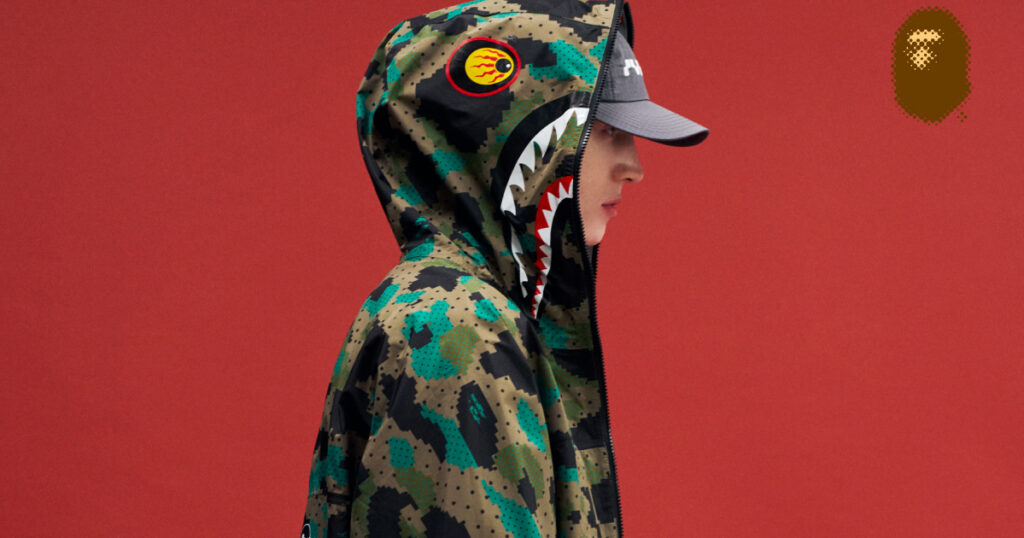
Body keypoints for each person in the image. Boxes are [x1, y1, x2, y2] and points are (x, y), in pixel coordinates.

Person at [302, 1, 707, 536]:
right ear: (501, 138)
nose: (634, 168)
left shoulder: (461, 308)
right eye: (606, 130)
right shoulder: (458, 328)